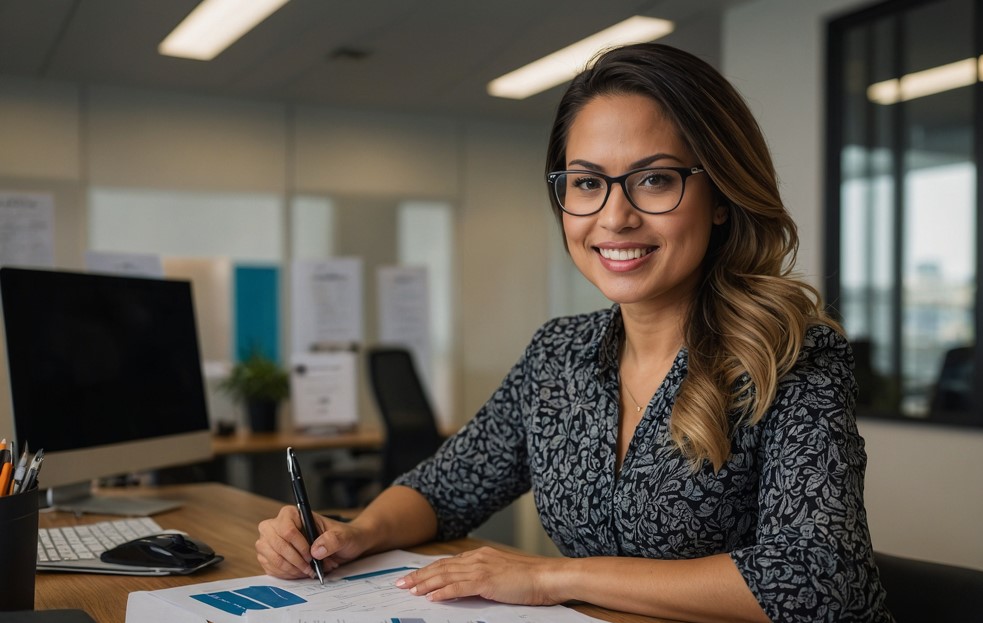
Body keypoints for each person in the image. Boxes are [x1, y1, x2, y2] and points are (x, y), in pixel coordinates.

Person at [257, 43, 893, 623]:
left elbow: (819, 579)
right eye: (587, 183)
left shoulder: (792, 354)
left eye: (654, 179)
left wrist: (548, 578)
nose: (615, 217)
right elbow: (445, 487)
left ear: (720, 195)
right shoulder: (559, 354)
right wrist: (351, 535)